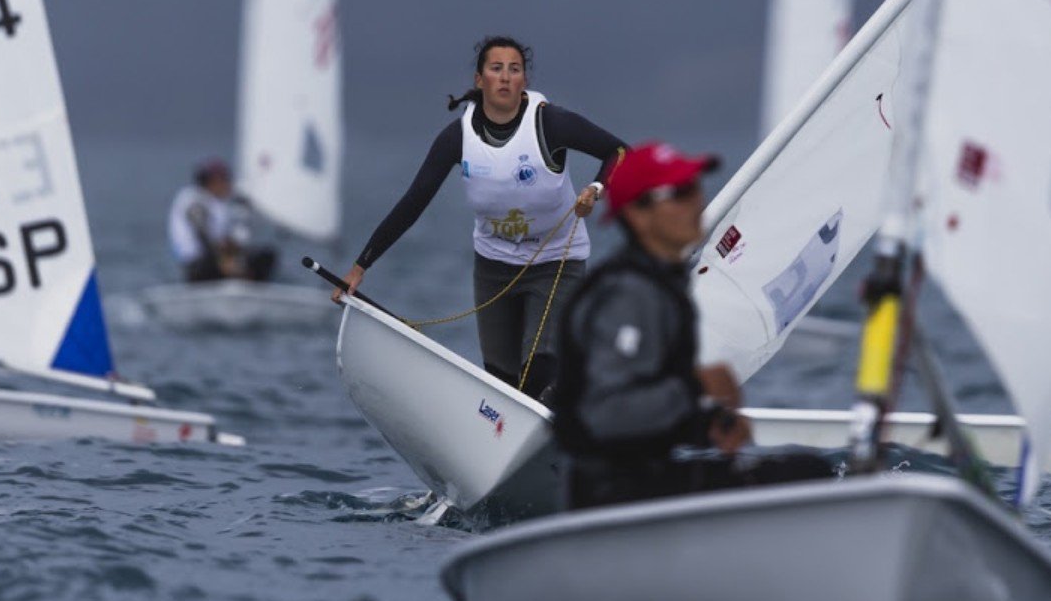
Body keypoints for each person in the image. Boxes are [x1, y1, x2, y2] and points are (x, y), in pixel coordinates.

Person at [552, 141, 834, 510]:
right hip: (608, 497)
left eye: (696, 188)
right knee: (807, 474)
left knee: (802, 469)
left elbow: (643, 411)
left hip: (640, 481)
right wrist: (696, 385)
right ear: (638, 215)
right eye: (680, 193)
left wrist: (706, 423)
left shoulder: (659, 284)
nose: (697, 201)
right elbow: (606, 416)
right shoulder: (629, 294)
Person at [339, 36, 625, 398]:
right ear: (480, 80)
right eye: (496, 69)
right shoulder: (457, 137)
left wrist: (597, 189)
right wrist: (360, 266)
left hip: (556, 262)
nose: (505, 77)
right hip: (494, 267)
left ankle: (567, 418)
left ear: (524, 82)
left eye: (514, 69)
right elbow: (414, 202)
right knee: (502, 384)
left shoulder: (550, 123)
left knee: (538, 374)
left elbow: (619, 152)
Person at [167, 159, 275, 283]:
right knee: (222, 261)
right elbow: (203, 237)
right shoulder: (193, 201)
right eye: (225, 180)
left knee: (265, 255)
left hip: (217, 258)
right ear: (213, 181)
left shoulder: (216, 204)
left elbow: (225, 239)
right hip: (198, 265)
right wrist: (226, 259)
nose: (229, 184)